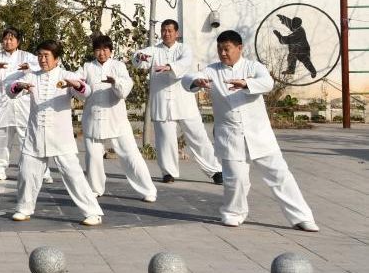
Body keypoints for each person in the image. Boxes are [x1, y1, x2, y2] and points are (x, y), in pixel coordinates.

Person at [182, 30, 318, 231]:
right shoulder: (212, 71)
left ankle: (302, 217)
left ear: (239, 48)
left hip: (259, 134)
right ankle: (233, 213)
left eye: (227, 49)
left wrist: (246, 83)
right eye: (220, 49)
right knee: (235, 179)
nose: (223, 53)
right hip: (230, 135)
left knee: (280, 175)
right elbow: (188, 78)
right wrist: (196, 81)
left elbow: (267, 83)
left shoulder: (254, 67)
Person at [7, 40, 103, 225]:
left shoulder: (67, 76)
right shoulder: (32, 76)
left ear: (57, 58)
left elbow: (86, 93)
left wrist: (75, 85)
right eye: (40, 55)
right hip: (35, 135)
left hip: (61, 136)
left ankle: (92, 212)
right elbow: (10, 91)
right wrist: (18, 86)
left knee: (73, 175)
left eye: (46, 56)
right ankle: (24, 208)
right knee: (27, 172)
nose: (42, 59)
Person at [134, 19, 223, 185]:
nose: (166, 33)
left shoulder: (184, 49)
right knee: (165, 140)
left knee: (198, 137)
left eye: (170, 31)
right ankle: (168, 173)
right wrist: (139, 56)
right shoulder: (154, 50)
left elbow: (185, 63)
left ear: (177, 33)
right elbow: (139, 58)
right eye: (163, 30)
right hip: (162, 102)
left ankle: (215, 171)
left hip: (184, 101)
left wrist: (169, 67)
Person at [79, 35, 157, 201]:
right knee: (93, 156)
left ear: (111, 51)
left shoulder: (118, 66)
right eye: (98, 50)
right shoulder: (87, 67)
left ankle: (148, 189)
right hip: (93, 117)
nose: (101, 53)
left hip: (116, 119)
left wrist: (115, 82)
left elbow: (125, 89)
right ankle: (95, 188)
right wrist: (76, 85)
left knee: (131, 155)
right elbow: (79, 85)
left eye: (105, 49)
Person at [0, 28, 51, 183]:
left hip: (23, 104)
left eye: (11, 39)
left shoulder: (27, 56)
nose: (8, 42)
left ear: (18, 41)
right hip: (1, 104)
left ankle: (40, 171)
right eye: (5, 39)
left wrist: (29, 68)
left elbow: (42, 67)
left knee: (29, 138)